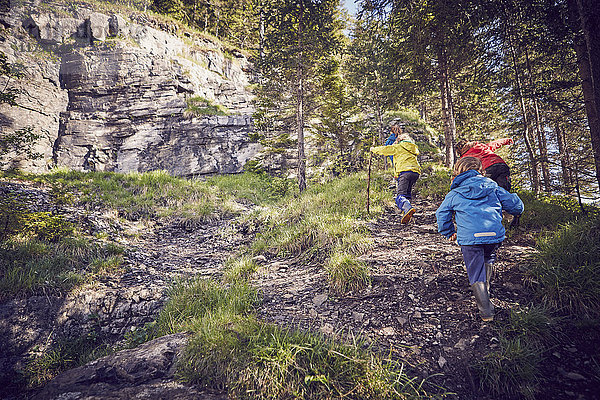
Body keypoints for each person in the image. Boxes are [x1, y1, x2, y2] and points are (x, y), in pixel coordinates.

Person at [435, 157, 524, 321]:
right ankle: (486, 290)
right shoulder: (493, 187)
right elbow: (516, 206)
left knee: (475, 270)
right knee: (489, 256)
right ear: (480, 171)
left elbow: (441, 214)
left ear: (458, 172)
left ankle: (486, 311)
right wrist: (516, 200)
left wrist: (449, 232)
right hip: (493, 235)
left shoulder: (455, 193)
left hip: (470, 239)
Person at [370, 125, 421, 224]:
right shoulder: (413, 148)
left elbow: (385, 149)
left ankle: (407, 208)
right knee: (407, 195)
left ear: (399, 140)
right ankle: (408, 214)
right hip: (415, 173)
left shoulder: (398, 147)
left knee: (400, 196)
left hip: (405, 172)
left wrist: (373, 149)